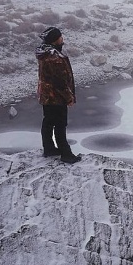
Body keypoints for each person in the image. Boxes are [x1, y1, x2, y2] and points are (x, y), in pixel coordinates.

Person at [36, 26, 81, 164]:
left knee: (48, 121)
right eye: (60, 36)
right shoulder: (54, 57)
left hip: (46, 94)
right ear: (55, 40)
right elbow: (60, 82)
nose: (62, 38)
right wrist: (69, 98)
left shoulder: (45, 53)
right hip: (56, 97)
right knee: (60, 124)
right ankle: (66, 153)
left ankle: (49, 148)